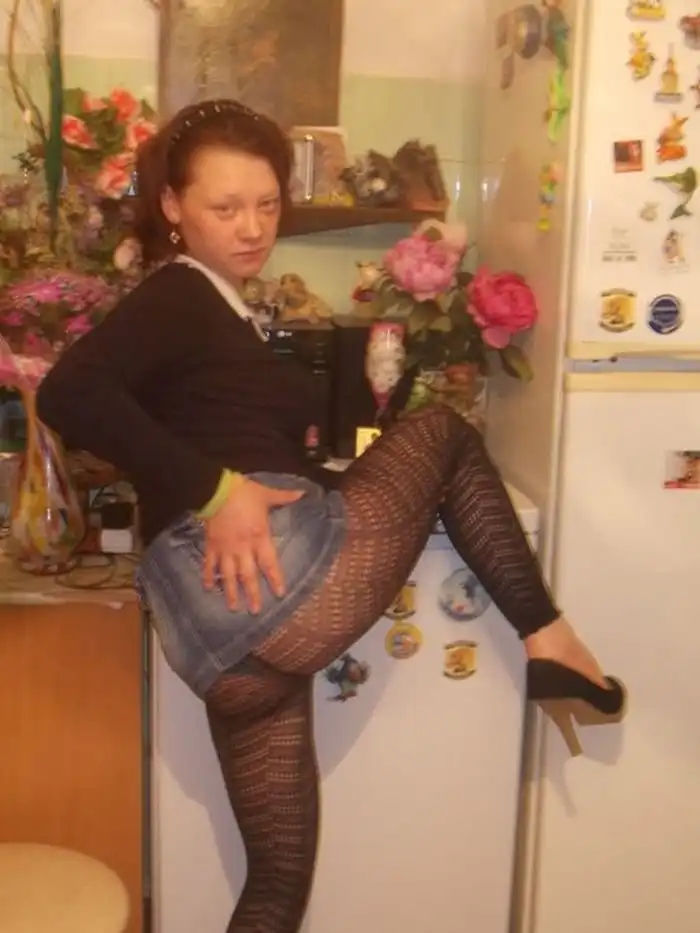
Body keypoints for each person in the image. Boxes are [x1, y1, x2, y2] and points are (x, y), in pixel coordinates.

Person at [36, 99, 627, 933]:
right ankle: (551, 639)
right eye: (225, 207)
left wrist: (247, 480)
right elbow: (68, 393)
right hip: (259, 580)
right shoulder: (177, 293)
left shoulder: (219, 302)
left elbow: (231, 435)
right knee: (443, 433)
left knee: (278, 879)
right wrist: (217, 490)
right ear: (171, 204)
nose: (252, 227)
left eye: (267, 203)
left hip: (225, 639)